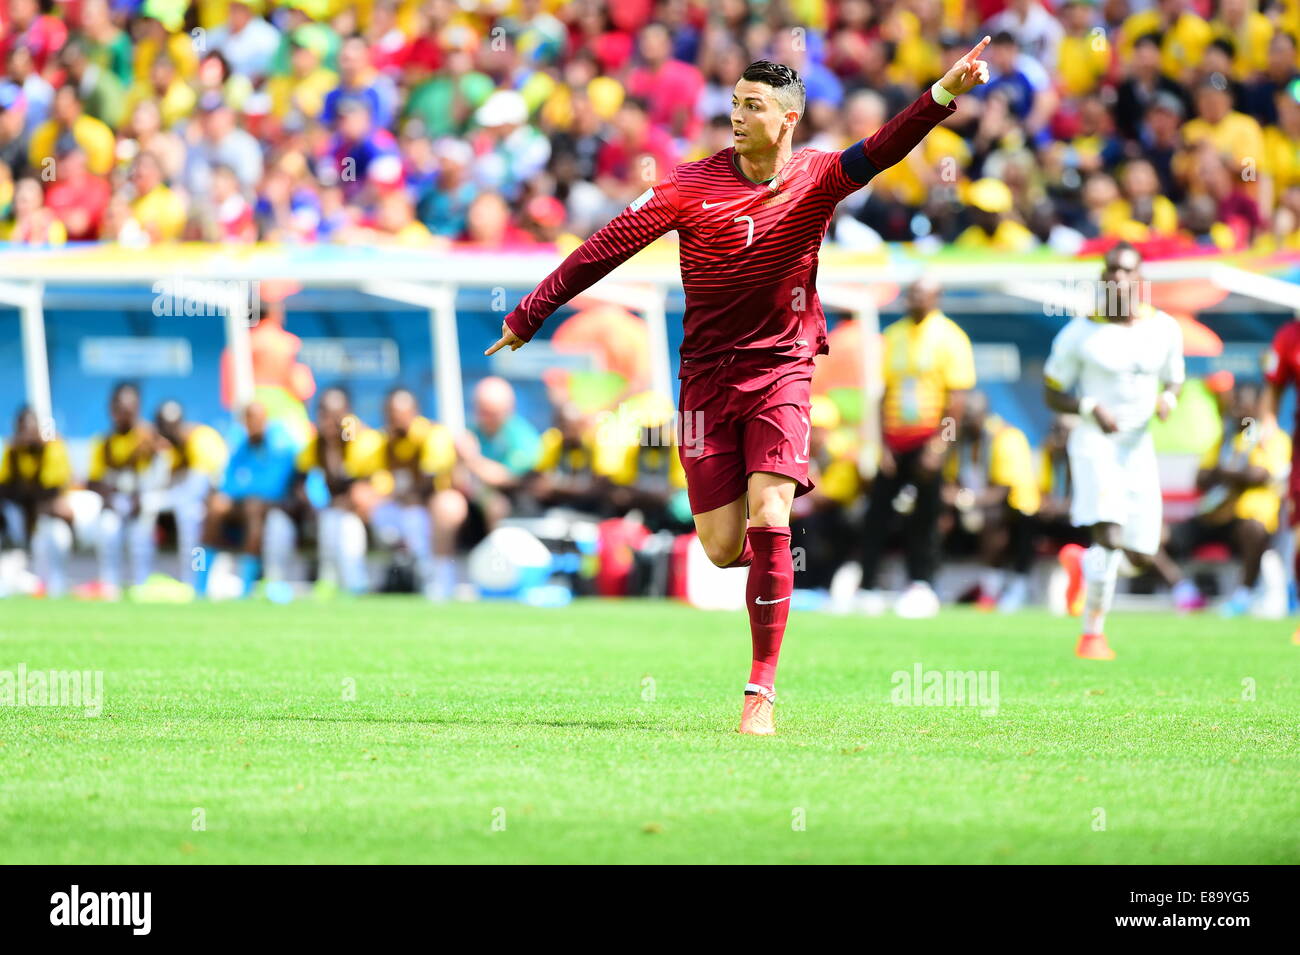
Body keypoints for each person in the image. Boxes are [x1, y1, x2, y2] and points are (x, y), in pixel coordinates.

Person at [486, 44, 993, 734]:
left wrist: (939, 95)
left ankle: (761, 691)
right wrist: (529, 312)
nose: (736, 116)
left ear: (786, 119)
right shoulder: (688, 185)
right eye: (733, 103)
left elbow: (882, 148)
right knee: (725, 546)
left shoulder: (818, 176)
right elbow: (606, 245)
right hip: (703, 384)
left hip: (783, 367)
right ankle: (774, 569)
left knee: (771, 513)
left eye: (751, 106)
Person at [1044, 242, 1186, 660]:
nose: (1119, 278)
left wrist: (1169, 400)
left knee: (1141, 554)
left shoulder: (1164, 328)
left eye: (1127, 271)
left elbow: (1175, 379)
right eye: (1112, 271)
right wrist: (1087, 407)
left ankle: (1082, 565)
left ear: (1141, 280)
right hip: (1095, 444)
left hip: (1138, 447)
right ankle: (1092, 635)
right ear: (1103, 280)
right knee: (1108, 533)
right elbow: (1051, 392)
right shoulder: (1080, 332)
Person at [859, 277, 976, 618]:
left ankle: (922, 585)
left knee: (925, 518)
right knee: (876, 515)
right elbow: (882, 395)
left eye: (921, 294)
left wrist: (941, 445)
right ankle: (867, 587)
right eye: (910, 294)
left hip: (929, 441)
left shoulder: (951, 338)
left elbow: (957, 402)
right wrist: (881, 445)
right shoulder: (893, 335)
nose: (913, 299)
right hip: (894, 443)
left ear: (936, 297)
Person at [1171, 381, 1290, 617]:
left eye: (1242, 404)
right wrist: (1232, 473)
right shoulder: (1225, 438)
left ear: (1258, 407)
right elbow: (1201, 477)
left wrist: (1225, 472)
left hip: (1250, 519)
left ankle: (1243, 596)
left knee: (1251, 529)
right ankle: (1184, 591)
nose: (1236, 410)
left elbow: (1258, 474)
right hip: (1215, 517)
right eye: (1234, 404)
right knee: (1159, 536)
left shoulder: (1268, 436)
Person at [945, 390, 1040, 612]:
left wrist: (965, 500)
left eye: (969, 415)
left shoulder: (1005, 436)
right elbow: (949, 478)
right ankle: (929, 584)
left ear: (983, 415)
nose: (965, 420)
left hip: (1015, 510)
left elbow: (1002, 491)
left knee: (993, 519)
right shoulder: (957, 437)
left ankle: (993, 590)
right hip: (971, 505)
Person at [368, 387, 463, 599]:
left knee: (434, 511)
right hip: (401, 507)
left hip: (429, 506)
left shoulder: (433, 433)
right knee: (379, 512)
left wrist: (410, 497)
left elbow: (430, 480)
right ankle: (399, 573)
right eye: (391, 413)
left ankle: (439, 578)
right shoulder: (383, 441)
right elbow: (375, 480)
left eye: (401, 412)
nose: (396, 419)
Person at [197, 401, 299, 598]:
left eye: (257, 419)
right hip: (242, 505)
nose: (252, 424)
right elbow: (227, 483)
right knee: (214, 508)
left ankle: (245, 587)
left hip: (276, 511)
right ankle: (199, 582)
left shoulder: (281, 442)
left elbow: (272, 488)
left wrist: (243, 487)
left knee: (254, 508)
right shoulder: (239, 442)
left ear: (265, 420)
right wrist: (238, 491)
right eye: (248, 420)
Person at [294, 387, 384, 595]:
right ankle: (330, 581)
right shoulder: (315, 446)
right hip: (335, 512)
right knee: (332, 519)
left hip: (371, 513)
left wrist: (354, 500)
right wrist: (310, 504)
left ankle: (356, 583)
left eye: (337, 416)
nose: (330, 422)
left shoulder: (364, 442)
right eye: (324, 415)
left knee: (345, 522)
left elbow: (369, 488)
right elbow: (300, 481)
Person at [86, 383, 164, 599]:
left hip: (145, 500)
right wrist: (110, 499)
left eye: (130, 409)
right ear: (112, 410)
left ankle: (142, 585)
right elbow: (92, 481)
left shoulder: (149, 438)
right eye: (120, 409)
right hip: (115, 501)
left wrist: (142, 496)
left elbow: (162, 474)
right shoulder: (103, 443)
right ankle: (109, 586)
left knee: (141, 535)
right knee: (108, 529)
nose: (125, 414)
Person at [0, 407, 74, 596]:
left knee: (56, 537)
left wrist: (25, 492)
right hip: (23, 512)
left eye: (30, 429)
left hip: (49, 514)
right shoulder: (13, 451)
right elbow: (5, 488)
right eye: (22, 429)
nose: (26, 435)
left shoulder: (53, 447)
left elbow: (49, 490)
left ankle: (56, 587)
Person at [154, 400, 227, 587]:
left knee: (191, 517)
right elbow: (170, 482)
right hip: (200, 502)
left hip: (222, 501)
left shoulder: (199, 439)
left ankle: (196, 579)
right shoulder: (175, 447)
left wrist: (155, 501)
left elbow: (196, 490)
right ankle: (192, 579)